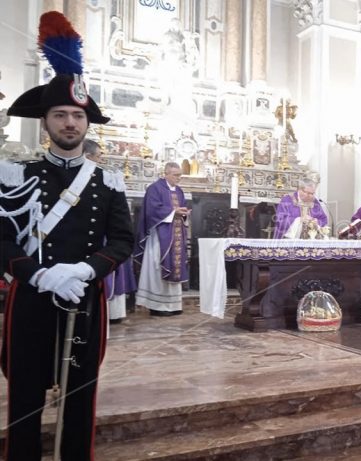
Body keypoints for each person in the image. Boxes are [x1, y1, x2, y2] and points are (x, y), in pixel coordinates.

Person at [0, 12, 134, 460]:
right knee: (25, 397)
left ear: (87, 123)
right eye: (61, 115)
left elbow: (122, 240)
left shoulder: (108, 182)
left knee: (80, 399)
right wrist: (39, 276)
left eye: (77, 115)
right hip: (32, 301)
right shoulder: (17, 174)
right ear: (46, 122)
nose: (70, 123)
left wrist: (85, 269)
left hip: (84, 299)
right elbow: (2, 239)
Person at [83, 139, 137, 324]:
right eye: (98, 157)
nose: (100, 160)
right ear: (87, 156)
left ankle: (112, 312)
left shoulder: (106, 179)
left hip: (108, 242)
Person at [134, 162, 190, 316]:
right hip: (160, 235)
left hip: (176, 233)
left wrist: (184, 213)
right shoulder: (155, 188)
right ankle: (157, 305)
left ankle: (173, 305)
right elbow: (152, 210)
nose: (178, 178)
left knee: (175, 264)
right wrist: (173, 212)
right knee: (158, 265)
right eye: (175, 175)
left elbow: (182, 208)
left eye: (180, 175)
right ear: (165, 173)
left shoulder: (179, 191)